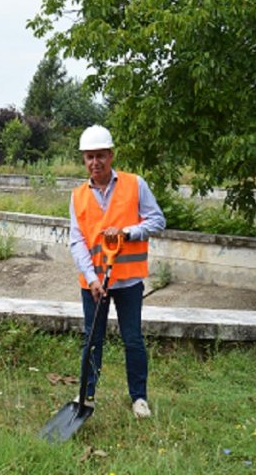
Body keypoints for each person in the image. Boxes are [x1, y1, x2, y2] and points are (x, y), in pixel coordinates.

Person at [69, 125, 166, 418]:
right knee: (92, 339)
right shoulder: (77, 196)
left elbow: (158, 221)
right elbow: (77, 241)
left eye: (100, 156)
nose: (95, 162)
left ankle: (139, 398)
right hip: (94, 284)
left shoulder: (135, 184)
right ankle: (86, 394)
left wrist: (127, 232)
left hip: (129, 281)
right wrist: (93, 278)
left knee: (132, 338)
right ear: (84, 160)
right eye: (89, 157)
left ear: (111, 155)